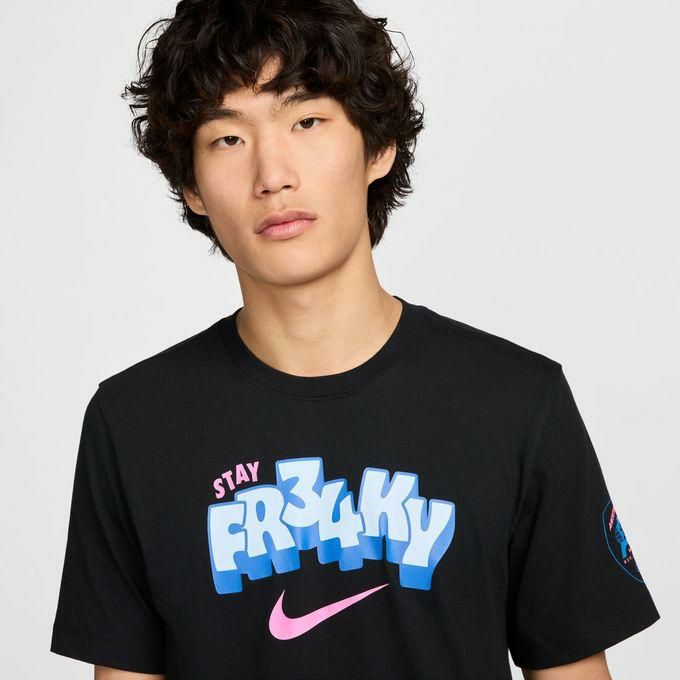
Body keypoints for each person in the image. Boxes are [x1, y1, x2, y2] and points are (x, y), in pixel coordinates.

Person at [49, 1, 661, 679]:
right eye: (227, 139)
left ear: (377, 147)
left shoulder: (517, 403)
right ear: (191, 186)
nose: (272, 175)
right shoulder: (134, 424)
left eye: (306, 121)